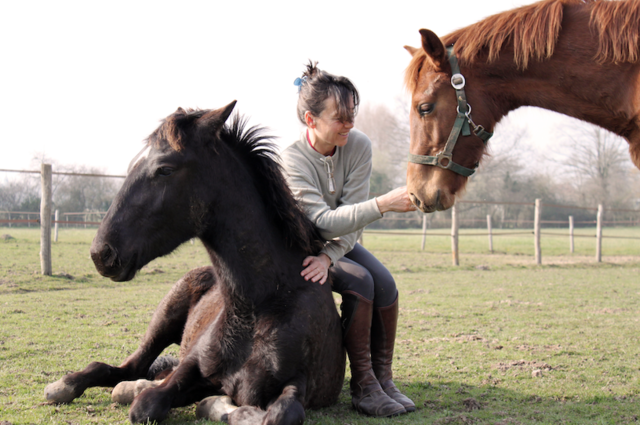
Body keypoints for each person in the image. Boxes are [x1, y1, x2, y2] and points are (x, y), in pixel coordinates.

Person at [280, 61, 417, 417]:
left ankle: (382, 380)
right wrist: (383, 204)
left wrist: (331, 258)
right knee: (361, 281)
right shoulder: (292, 159)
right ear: (311, 120)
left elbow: (351, 219)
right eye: (339, 118)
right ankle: (363, 386)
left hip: (335, 245)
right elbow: (322, 223)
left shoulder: (357, 146)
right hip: (298, 249)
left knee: (385, 284)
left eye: (352, 115)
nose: (350, 125)